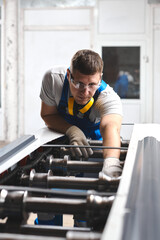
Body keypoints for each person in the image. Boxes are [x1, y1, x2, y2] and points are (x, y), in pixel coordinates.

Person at [40, 49, 123, 178]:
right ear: (68, 74)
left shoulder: (108, 98)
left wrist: (111, 163)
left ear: (100, 78)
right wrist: (72, 130)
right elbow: (48, 115)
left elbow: (110, 127)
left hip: (94, 147)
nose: (85, 92)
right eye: (79, 84)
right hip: (61, 141)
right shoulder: (53, 79)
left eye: (92, 84)